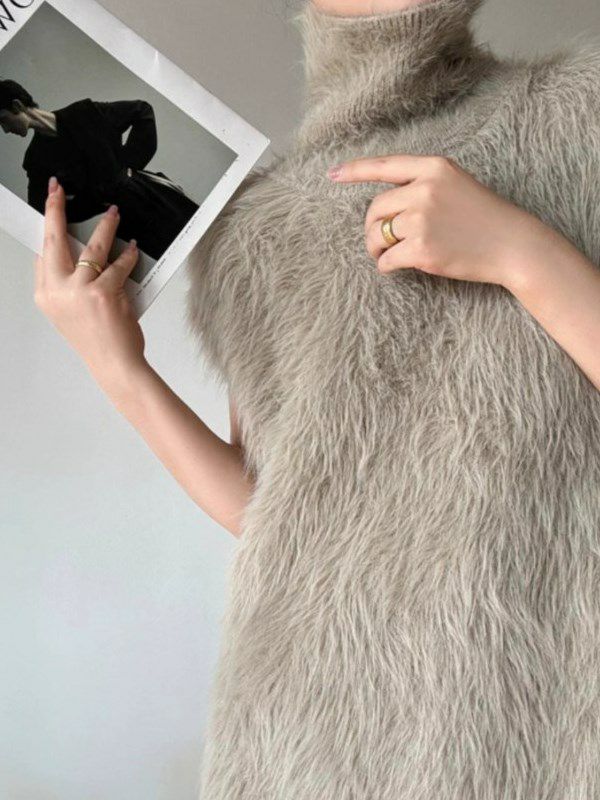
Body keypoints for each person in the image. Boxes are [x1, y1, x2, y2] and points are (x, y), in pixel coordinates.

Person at [32, 0, 600, 797]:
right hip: (317, 743)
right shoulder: (253, 230)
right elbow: (281, 512)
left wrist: (523, 253)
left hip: (547, 725)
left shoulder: (584, 114)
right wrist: (117, 367)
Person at [0, 79, 199, 260]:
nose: (6, 130)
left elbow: (141, 111)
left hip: (154, 194)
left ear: (17, 106)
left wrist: (128, 166)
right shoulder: (36, 160)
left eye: (3, 120)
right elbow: (39, 214)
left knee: (201, 233)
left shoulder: (84, 113)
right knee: (181, 260)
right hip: (128, 221)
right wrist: (90, 203)